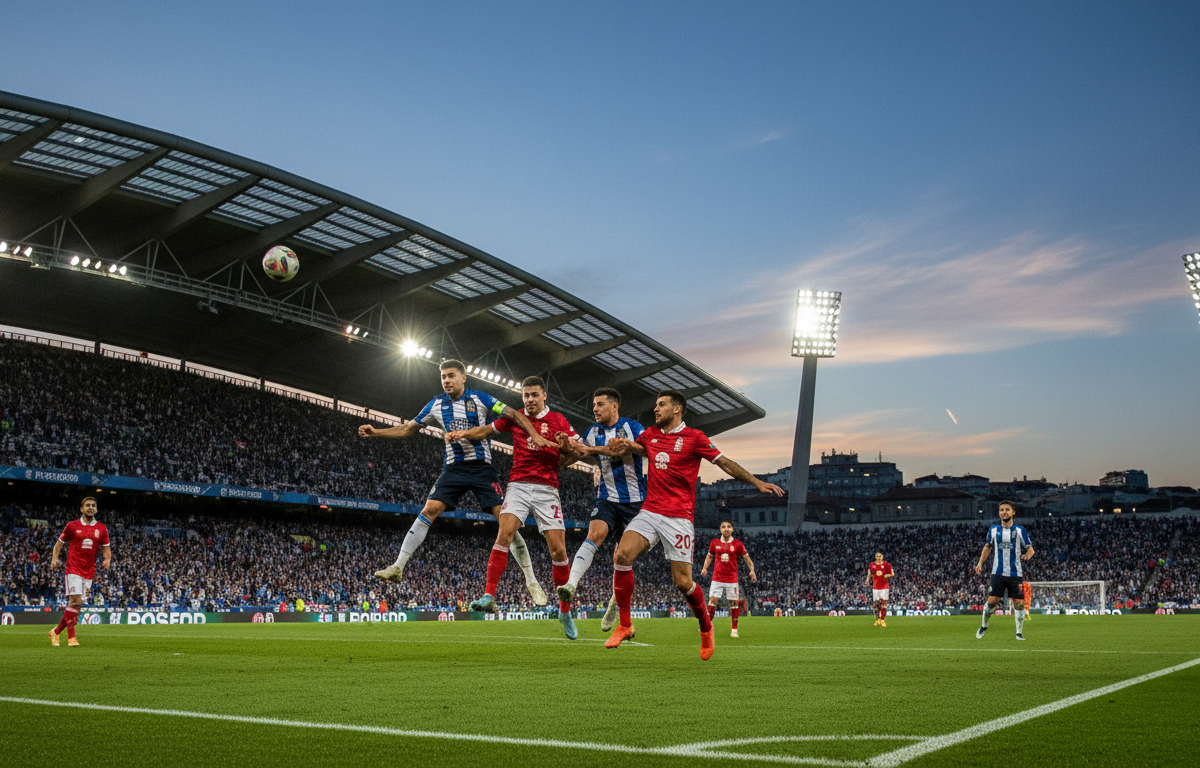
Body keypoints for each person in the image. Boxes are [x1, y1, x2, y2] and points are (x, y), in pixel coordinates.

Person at [602, 390, 784, 660]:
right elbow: (643, 449)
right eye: (656, 404)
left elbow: (725, 464)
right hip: (651, 510)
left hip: (679, 518)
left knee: (684, 583)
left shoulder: (694, 438)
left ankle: (706, 628)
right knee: (621, 555)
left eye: (661, 404)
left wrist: (757, 483)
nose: (656, 409)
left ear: (677, 409)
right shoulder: (650, 434)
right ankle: (626, 625)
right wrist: (628, 446)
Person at [361, 359, 555, 605]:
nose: (446, 381)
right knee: (429, 509)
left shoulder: (481, 399)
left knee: (507, 524)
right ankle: (398, 566)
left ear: (464, 377)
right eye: (443, 377)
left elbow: (515, 414)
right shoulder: (436, 403)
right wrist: (376, 432)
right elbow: (408, 428)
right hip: (453, 469)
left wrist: (535, 435)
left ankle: (531, 580)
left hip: (482, 469)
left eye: (451, 376)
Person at [448, 376, 579, 638]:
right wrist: (462, 434)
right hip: (518, 484)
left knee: (558, 550)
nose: (529, 400)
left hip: (547, 489)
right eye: (525, 395)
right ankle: (489, 595)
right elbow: (486, 430)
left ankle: (565, 612)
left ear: (544, 396)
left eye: (534, 395)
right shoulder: (516, 417)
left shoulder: (559, 421)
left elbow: (578, 454)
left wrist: (567, 448)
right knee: (504, 534)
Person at [554, 387, 646, 633]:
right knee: (594, 535)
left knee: (621, 558)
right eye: (594, 405)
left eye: (600, 404)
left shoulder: (632, 427)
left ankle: (616, 603)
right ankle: (571, 585)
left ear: (614, 406)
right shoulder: (592, 432)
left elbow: (640, 448)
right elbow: (576, 455)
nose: (594, 408)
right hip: (606, 497)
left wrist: (591, 450)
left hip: (636, 502)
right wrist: (564, 449)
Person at [48, 497, 110, 647]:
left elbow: (106, 546)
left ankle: (55, 632)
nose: (90, 508)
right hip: (73, 568)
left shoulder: (101, 528)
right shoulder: (72, 526)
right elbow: (59, 543)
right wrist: (54, 559)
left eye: (93, 506)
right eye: (87, 505)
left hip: (89, 571)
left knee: (77, 606)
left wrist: (107, 559)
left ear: (96, 509)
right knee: (76, 601)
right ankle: (72, 638)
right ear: (81, 509)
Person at [974, 500, 1035, 640]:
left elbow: (1031, 549)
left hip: (1016, 574)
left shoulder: (1020, 531)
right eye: (1002, 510)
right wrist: (980, 563)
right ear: (999, 513)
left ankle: (1019, 633)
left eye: (1007, 509)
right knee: (992, 602)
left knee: (1019, 603)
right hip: (998, 573)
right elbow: (988, 547)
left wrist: (1027, 555)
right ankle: (984, 625)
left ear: (1013, 512)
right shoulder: (994, 530)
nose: (1004, 512)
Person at [700, 520, 756, 637]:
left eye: (728, 527)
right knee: (712, 601)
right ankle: (707, 627)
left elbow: (747, 558)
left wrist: (752, 570)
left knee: (734, 603)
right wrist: (705, 568)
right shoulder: (714, 543)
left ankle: (734, 630)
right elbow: (709, 556)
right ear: (720, 529)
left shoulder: (737, 544)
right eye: (723, 527)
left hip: (732, 579)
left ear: (732, 529)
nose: (726, 529)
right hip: (717, 577)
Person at [866, 552, 894, 628]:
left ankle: (882, 619)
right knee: (875, 604)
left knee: (884, 604)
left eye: (880, 556)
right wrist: (867, 581)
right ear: (875, 557)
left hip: (884, 587)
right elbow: (869, 574)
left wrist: (887, 575)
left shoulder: (886, 564)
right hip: (875, 587)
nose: (878, 557)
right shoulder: (872, 565)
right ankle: (877, 619)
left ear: (882, 557)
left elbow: (892, 573)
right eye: (877, 556)